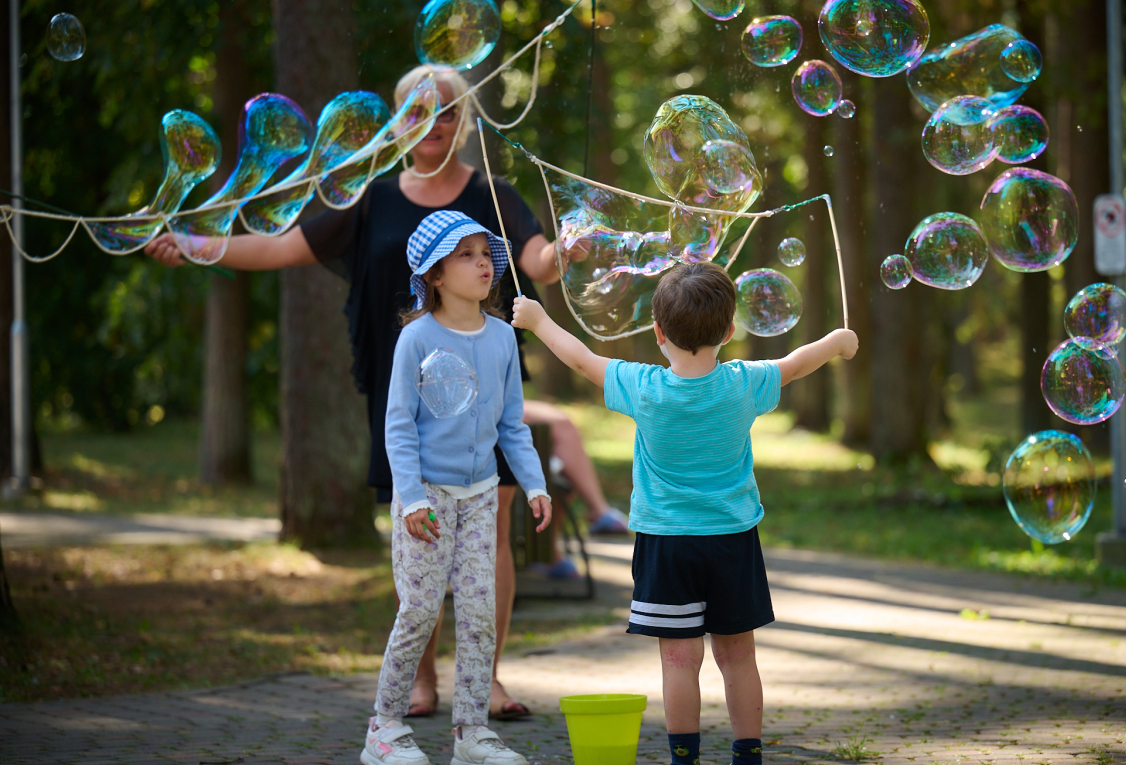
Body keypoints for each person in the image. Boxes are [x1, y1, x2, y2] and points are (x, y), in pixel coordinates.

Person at [144, 64, 627, 719]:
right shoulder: (371, 199)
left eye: (448, 111)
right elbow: (280, 248)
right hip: (410, 397)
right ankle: (424, 679)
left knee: (491, 535)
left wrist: (565, 249)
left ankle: (484, 679)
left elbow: (536, 260)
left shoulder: (494, 193)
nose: (433, 124)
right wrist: (195, 246)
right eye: (417, 112)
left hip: (488, 392)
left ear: (467, 123)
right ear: (398, 124)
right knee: (421, 536)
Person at [511, 261, 858, 765]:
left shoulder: (644, 387)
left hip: (666, 544)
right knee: (738, 657)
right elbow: (799, 361)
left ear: (658, 332)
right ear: (730, 330)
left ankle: (683, 759)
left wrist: (540, 321)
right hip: (732, 541)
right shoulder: (745, 383)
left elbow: (585, 361)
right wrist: (839, 341)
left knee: (678, 658)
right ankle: (747, 756)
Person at [366, 209, 551, 765]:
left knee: (478, 613)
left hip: (480, 496)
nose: (482, 264)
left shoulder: (501, 338)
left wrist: (535, 482)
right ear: (436, 275)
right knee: (420, 610)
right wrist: (412, 499)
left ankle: (471, 733)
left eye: (484, 254)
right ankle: (384, 730)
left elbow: (512, 424)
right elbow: (397, 426)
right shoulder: (415, 338)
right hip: (425, 497)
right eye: (465, 255)